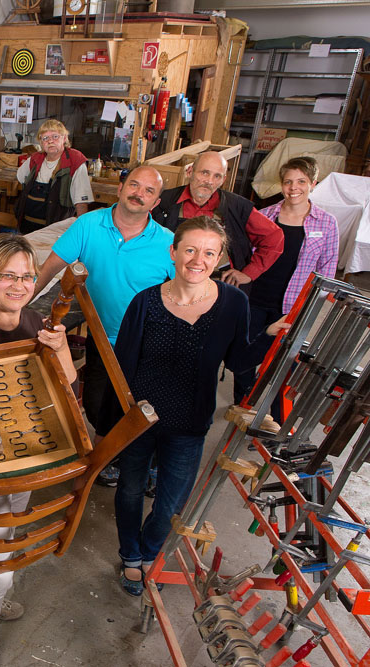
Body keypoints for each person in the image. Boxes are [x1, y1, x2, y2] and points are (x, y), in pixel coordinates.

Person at [110, 217, 288, 597]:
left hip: (189, 423)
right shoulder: (145, 303)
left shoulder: (233, 303)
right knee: (129, 490)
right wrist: (117, 425)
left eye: (209, 252)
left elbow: (239, 360)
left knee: (172, 501)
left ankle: (146, 551)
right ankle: (129, 556)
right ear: (173, 252)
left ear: (220, 258)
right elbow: (122, 366)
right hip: (140, 420)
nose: (197, 259)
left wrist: (269, 339)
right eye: (190, 249)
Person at [0, 235, 77, 667]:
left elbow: (67, 390)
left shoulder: (36, 322)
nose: (20, 285)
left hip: (27, 456)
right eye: (9, 275)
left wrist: (60, 353)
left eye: (26, 275)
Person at [33, 166, 174, 486]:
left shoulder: (168, 243)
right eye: (134, 184)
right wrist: (23, 300)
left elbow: (184, 291)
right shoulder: (88, 225)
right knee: (97, 403)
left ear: (155, 202)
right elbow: (51, 266)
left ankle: (143, 462)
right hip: (101, 334)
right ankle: (109, 453)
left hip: (145, 340)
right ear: (121, 187)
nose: (139, 193)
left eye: (148, 191)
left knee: (143, 405)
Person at [233, 157, 339, 405]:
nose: (294, 188)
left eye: (301, 181)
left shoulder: (326, 223)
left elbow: (328, 270)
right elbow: (246, 255)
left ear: (313, 183)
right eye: (288, 181)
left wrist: (312, 307)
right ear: (281, 184)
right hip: (256, 298)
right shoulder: (264, 216)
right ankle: (243, 405)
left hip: (293, 305)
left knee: (284, 362)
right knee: (246, 354)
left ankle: (273, 417)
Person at [150, 150, 284, 288]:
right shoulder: (164, 202)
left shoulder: (238, 207)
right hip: (170, 283)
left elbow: (274, 237)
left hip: (220, 285)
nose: (209, 181)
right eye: (204, 173)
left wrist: (249, 273)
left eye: (217, 176)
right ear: (190, 171)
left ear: (223, 180)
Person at [15, 119, 93, 234]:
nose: (50, 141)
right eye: (45, 138)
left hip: (56, 232)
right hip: (27, 229)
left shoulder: (75, 160)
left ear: (64, 138)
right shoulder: (35, 159)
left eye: (55, 136)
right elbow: (21, 177)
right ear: (41, 143)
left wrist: (83, 232)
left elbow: (81, 202)